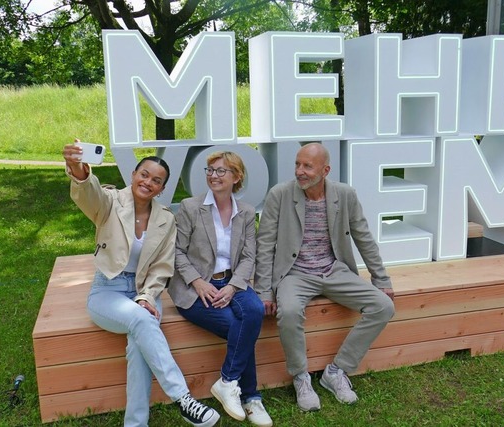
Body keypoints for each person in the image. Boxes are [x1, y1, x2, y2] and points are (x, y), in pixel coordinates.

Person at [62, 141, 220, 427]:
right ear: (133, 174)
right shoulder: (110, 201)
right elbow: (89, 195)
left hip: (144, 291)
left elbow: (162, 266)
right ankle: (183, 399)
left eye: (156, 180)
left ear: (162, 189)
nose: (148, 182)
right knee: (141, 321)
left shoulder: (165, 219)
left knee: (138, 342)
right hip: (106, 291)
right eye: (144, 175)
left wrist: (147, 296)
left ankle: (135, 424)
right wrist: (78, 171)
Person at [254, 142, 396, 412]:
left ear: (325, 169)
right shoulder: (280, 194)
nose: (300, 171)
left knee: (383, 306)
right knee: (291, 311)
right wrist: (263, 291)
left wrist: (381, 279)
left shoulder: (345, 195)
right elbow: (265, 244)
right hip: (294, 273)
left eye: (307, 166)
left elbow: (363, 237)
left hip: (334, 270)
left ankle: (336, 371)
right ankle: (300, 377)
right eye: (297, 164)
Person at [169, 151, 272, 427]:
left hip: (232, 281)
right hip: (195, 287)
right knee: (236, 328)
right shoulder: (190, 207)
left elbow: (250, 256)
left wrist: (233, 286)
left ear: (236, 177)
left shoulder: (247, 212)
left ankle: (227, 382)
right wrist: (197, 281)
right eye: (210, 170)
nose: (213, 176)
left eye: (221, 171)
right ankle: (251, 397)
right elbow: (176, 252)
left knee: (253, 311)